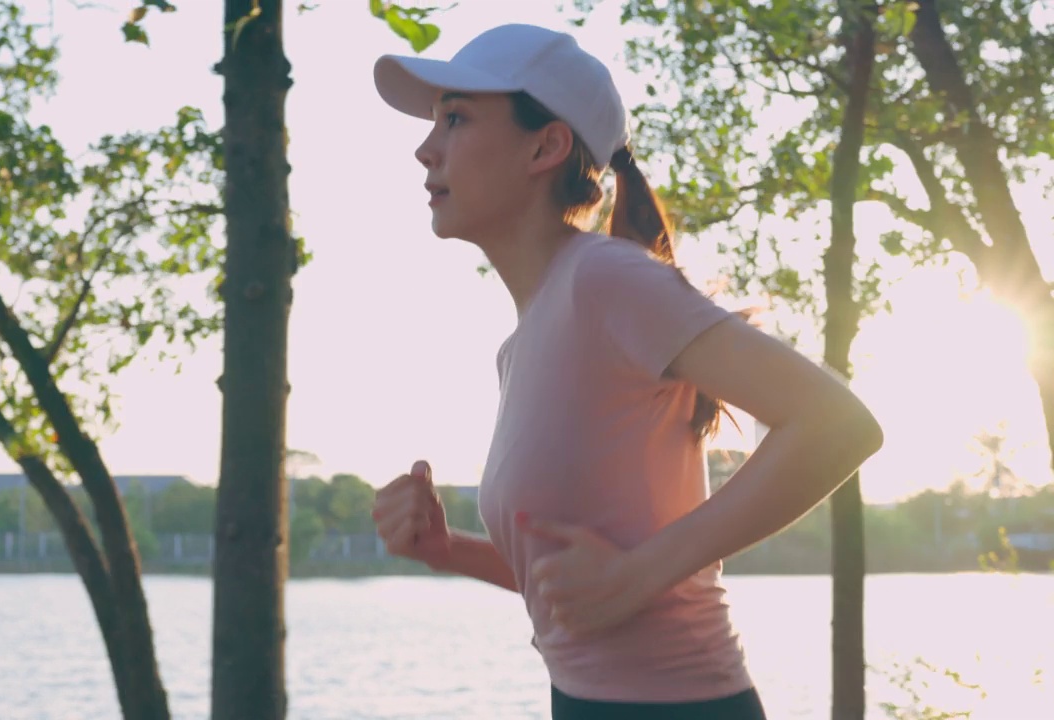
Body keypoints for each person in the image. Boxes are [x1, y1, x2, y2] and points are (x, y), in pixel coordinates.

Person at [368, 23, 885, 720]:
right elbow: (582, 587)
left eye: (455, 118)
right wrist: (445, 549)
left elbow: (838, 425)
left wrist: (639, 575)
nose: (425, 147)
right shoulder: (524, 343)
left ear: (545, 147)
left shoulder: (606, 280)